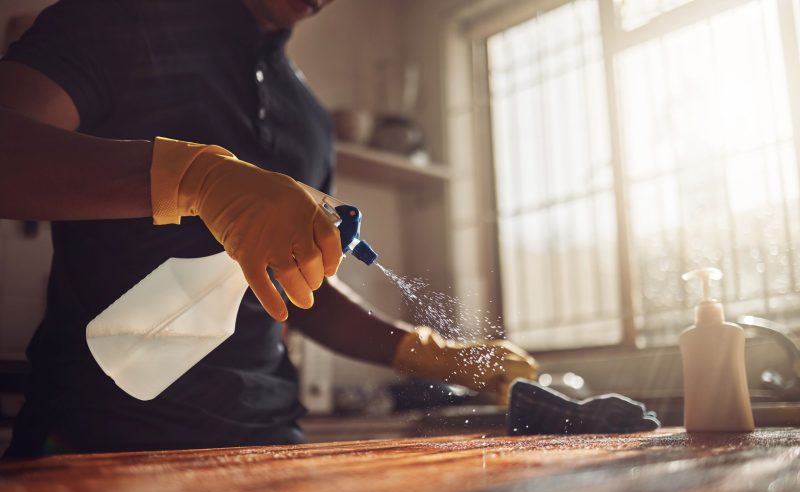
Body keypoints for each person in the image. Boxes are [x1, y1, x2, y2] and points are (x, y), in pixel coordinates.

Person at [0, 0, 538, 457]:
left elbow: (301, 286)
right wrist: (193, 179)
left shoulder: (309, 119)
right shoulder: (117, 19)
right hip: (94, 436)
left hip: (267, 440)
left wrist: (430, 353)